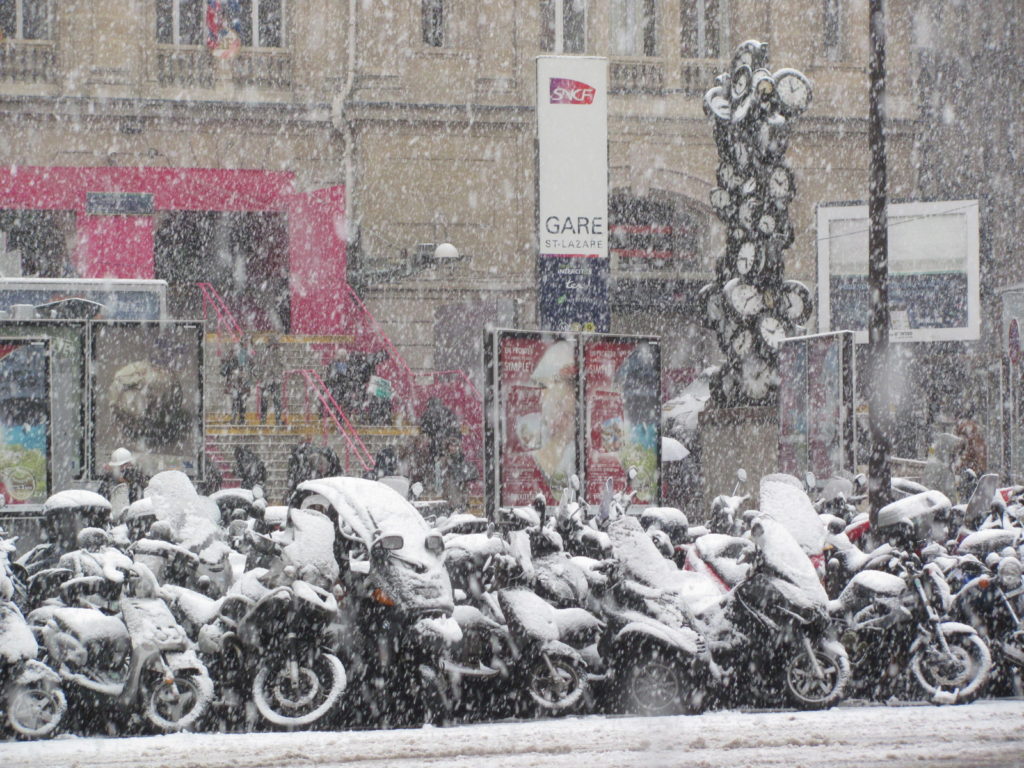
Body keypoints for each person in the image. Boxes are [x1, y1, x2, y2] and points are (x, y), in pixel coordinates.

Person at [97, 447, 148, 519]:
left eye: (126, 465)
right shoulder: (107, 482)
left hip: (133, 518)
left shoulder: (137, 480)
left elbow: (143, 497)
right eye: (119, 466)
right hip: (114, 519)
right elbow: (101, 501)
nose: (123, 469)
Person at [221, 338, 254, 425]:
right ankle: (239, 419)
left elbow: (249, 368)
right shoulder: (243, 355)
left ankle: (237, 419)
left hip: (241, 381)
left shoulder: (244, 355)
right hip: (239, 381)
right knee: (239, 401)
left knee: (238, 401)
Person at [256, 335, 285, 425]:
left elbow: (283, 363)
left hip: (275, 380)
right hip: (267, 380)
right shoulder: (265, 353)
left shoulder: (278, 353)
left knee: (276, 401)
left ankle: (277, 419)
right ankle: (264, 420)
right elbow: (260, 366)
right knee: (265, 401)